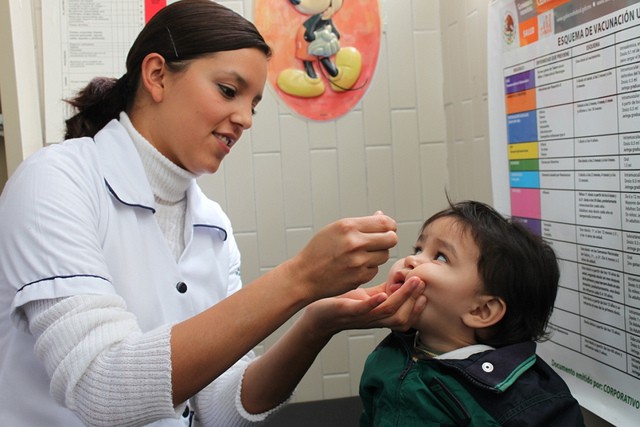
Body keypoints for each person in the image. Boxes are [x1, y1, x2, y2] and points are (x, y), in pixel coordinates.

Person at [0, 1, 427, 425]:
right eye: (228, 90)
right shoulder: (56, 182)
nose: (244, 119)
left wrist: (316, 323)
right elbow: (100, 387)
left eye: (253, 104)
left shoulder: (212, 226)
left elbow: (221, 407)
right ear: (157, 75)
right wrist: (299, 278)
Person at [359, 200, 586, 426]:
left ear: (481, 310)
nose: (411, 260)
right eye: (419, 249)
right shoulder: (390, 354)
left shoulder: (527, 406)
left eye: (440, 257)